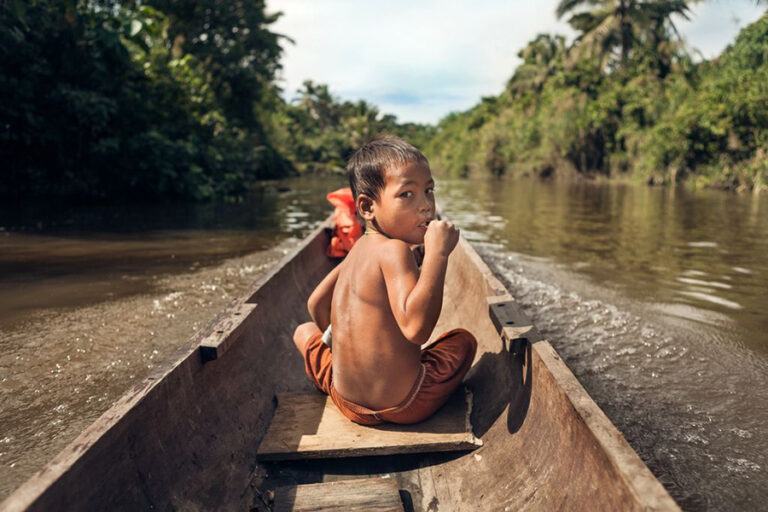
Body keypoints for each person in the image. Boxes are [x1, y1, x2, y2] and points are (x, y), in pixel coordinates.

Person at [292, 134, 477, 426]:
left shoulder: (355, 253)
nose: (426, 206)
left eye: (429, 191)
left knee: (304, 332)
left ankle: (333, 379)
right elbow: (417, 329)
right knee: (463, 342)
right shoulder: (396, 250)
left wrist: (342, 346)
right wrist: (436, 255)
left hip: (347, 401)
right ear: (367, 208)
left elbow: (315, 303)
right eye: (407, 194)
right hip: (404, 404)